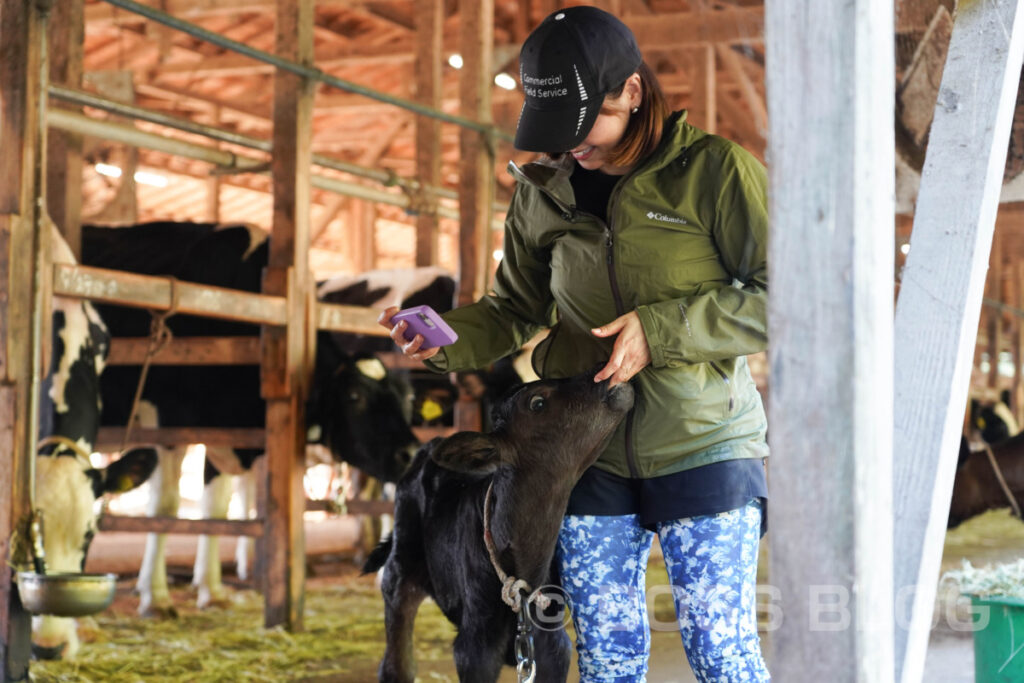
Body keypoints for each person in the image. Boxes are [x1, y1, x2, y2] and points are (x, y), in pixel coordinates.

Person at [379, 6, 771, 681]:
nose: (571, 145)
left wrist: (662, 329)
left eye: (585, 124)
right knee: (609, 660)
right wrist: (443, 337)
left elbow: (785, 296)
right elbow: (511, 311)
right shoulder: (541, 195)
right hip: (582, 456)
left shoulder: (715, 174)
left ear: (632, 93)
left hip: (703, 442)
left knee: (722, 653)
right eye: (555, 129)